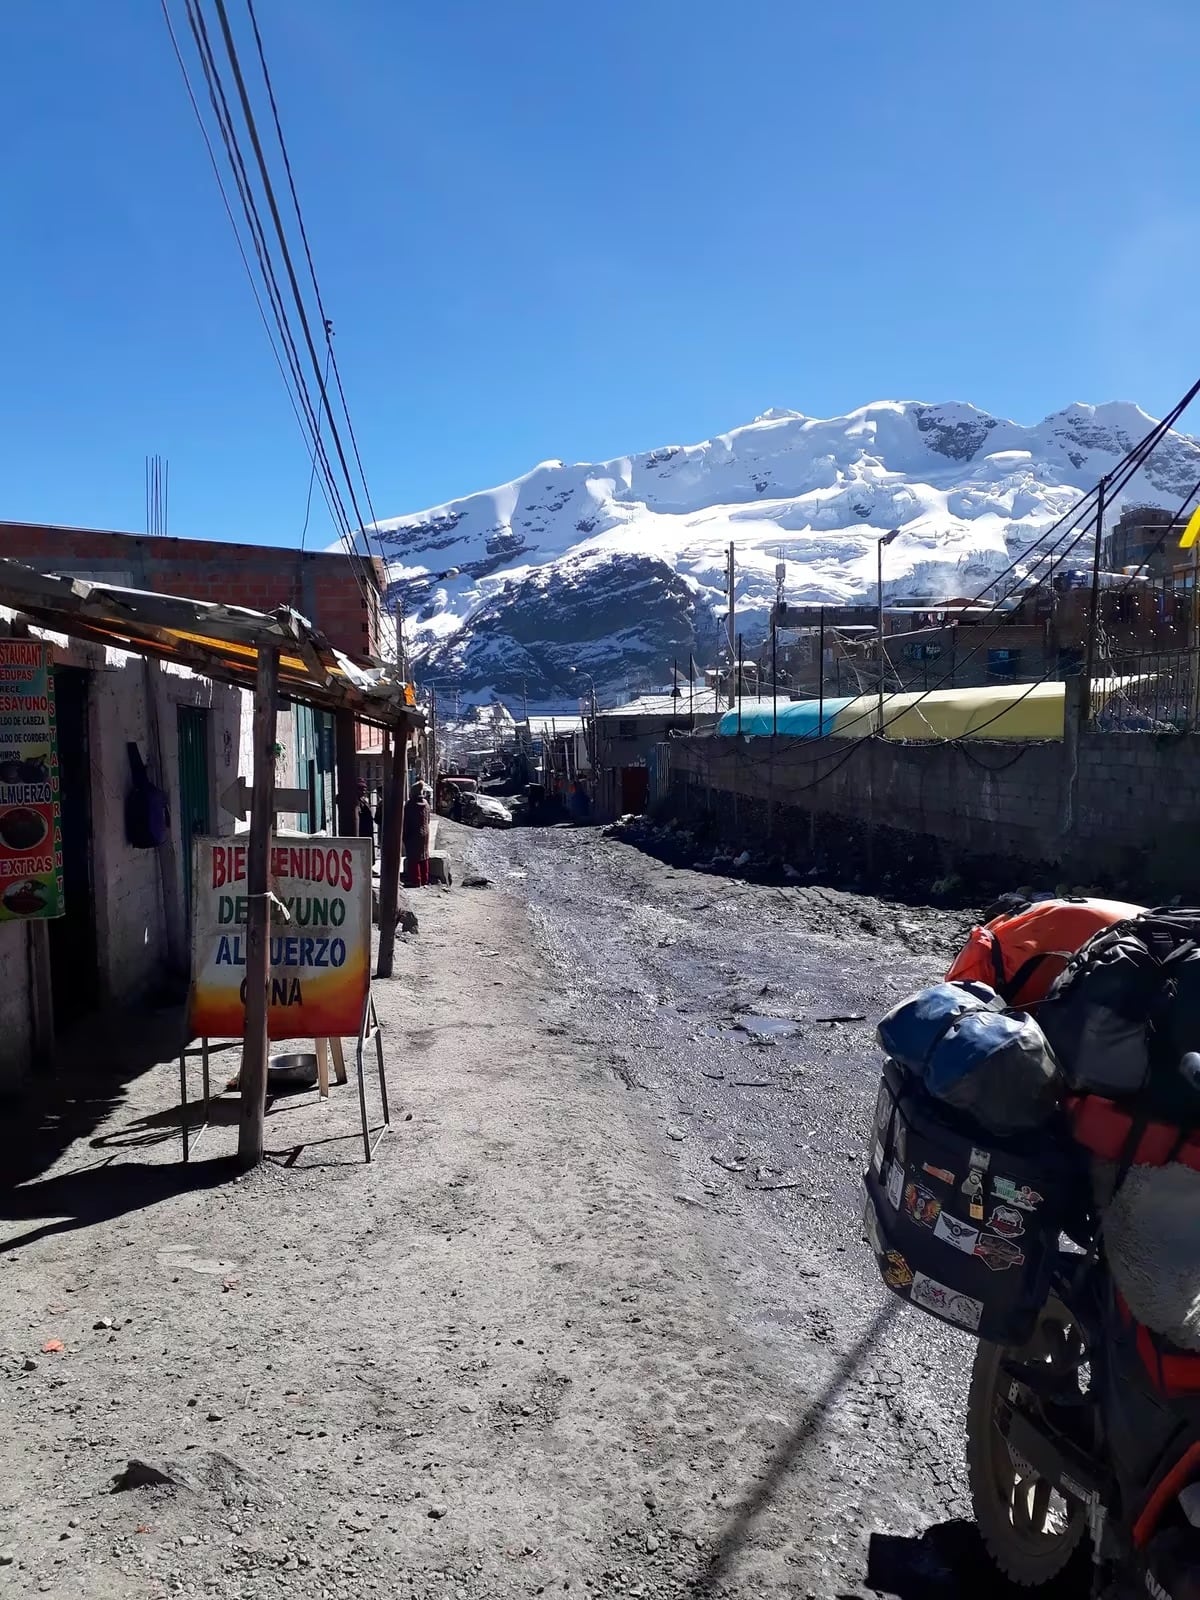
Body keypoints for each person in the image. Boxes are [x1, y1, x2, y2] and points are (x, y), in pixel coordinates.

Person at [402, 781, 432, 888]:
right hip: (425, 833)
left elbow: (405, 821)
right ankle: (425, 879)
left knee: (413, 858)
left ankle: (416, 880)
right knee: (424, 855)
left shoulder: (410, 805)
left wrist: (404, 835)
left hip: (413, 834)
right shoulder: (426, 804)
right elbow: (428, 819)